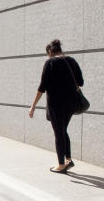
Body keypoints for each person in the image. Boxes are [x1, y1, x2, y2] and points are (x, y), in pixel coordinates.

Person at [27, 39, 84, 173]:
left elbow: (42, 87)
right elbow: (81, 82)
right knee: (63, 130)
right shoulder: (72, 61)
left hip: (56, 104)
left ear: (50, 52)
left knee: (59, 132)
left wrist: (33, 105)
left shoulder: (50, 62)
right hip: (71, 103)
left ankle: (61, 164)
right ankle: (68, 159)